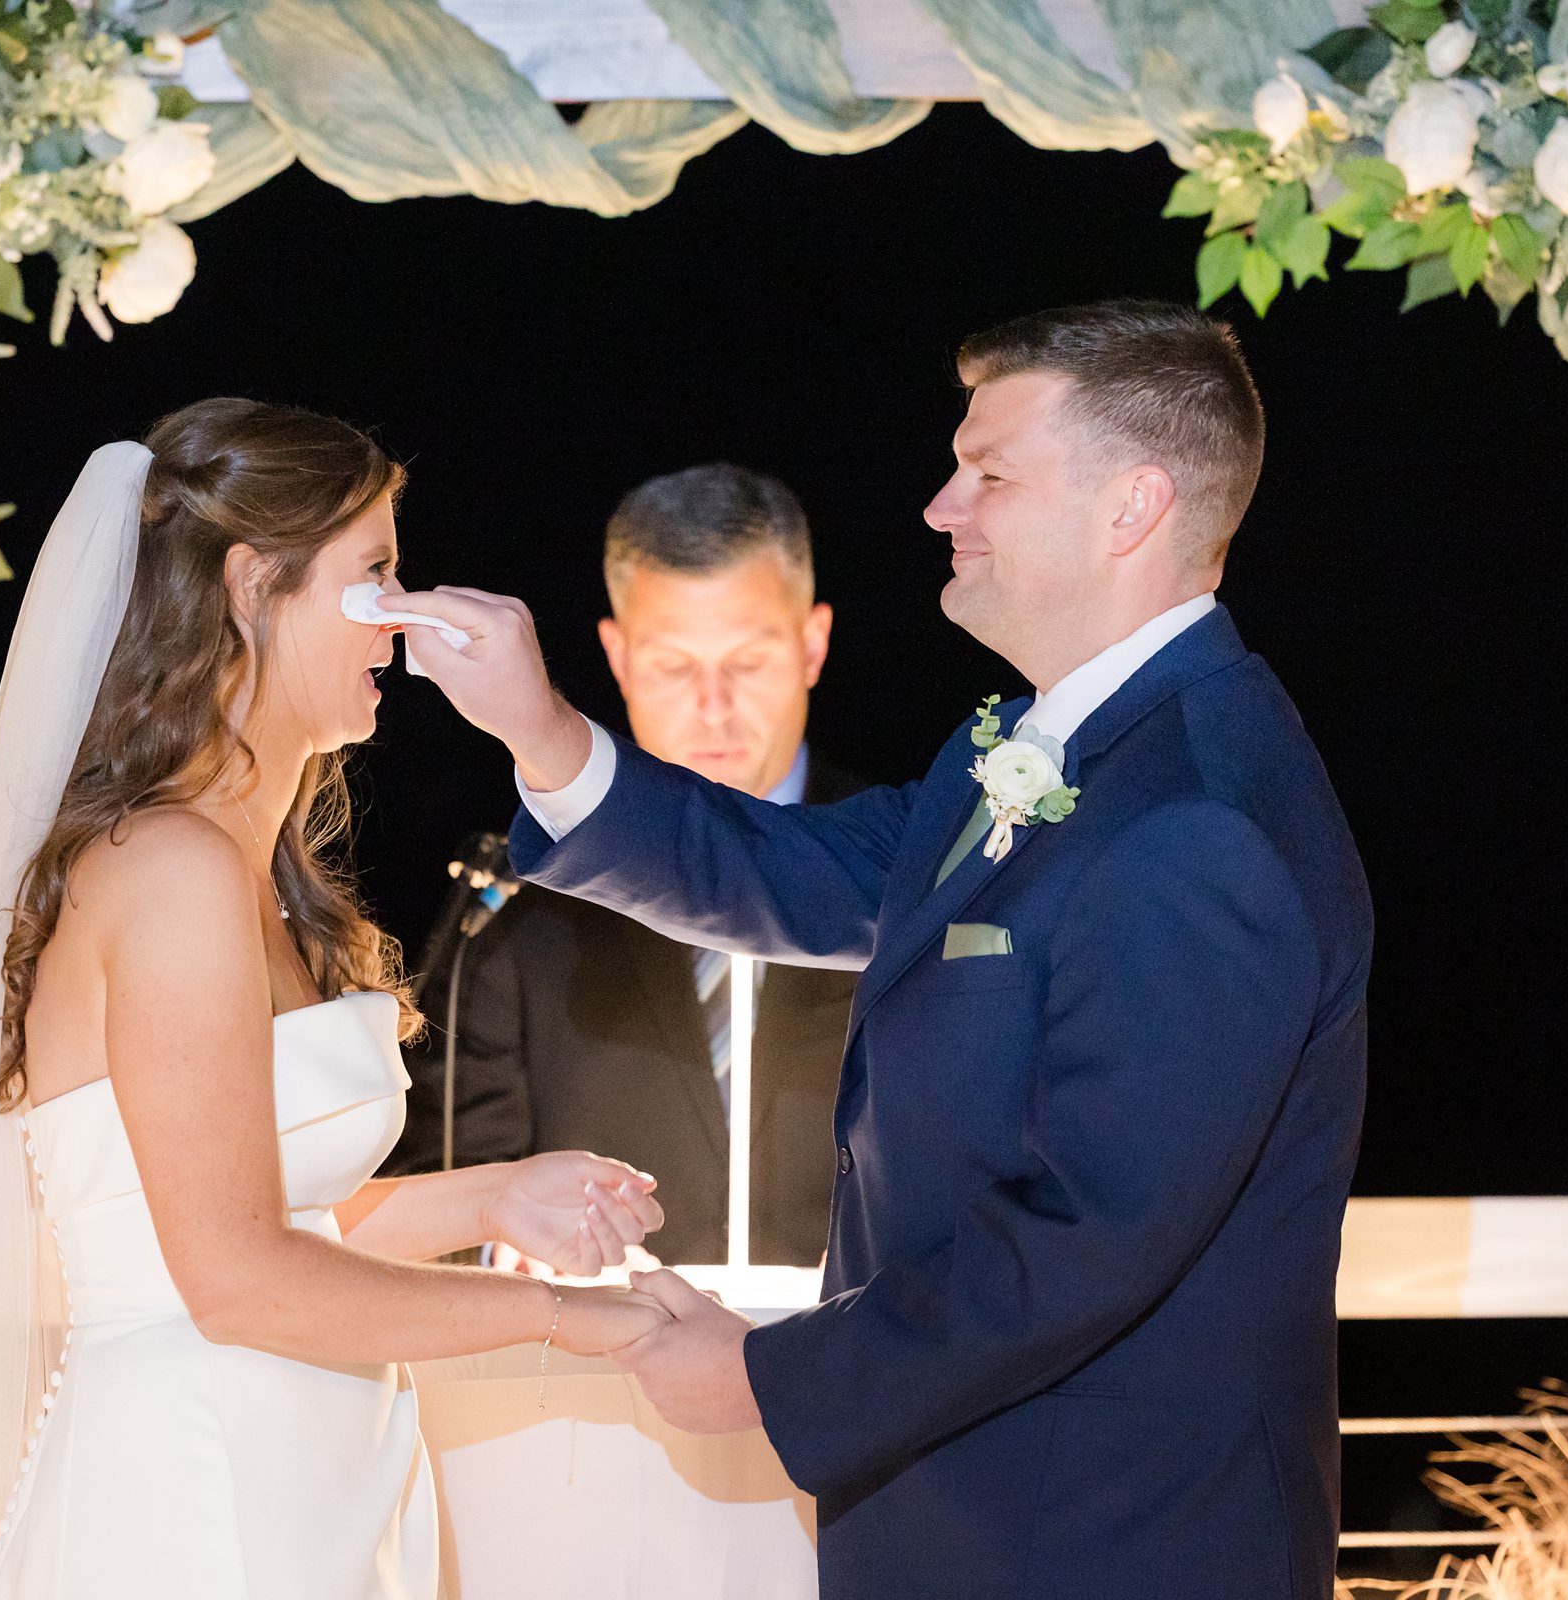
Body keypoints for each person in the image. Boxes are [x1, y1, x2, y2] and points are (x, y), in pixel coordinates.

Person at [391, 302, 1373, 1600]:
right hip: (979, 1521)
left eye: (991, 473)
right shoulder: (1023, 750)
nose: (939, 505)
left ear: (1132, 506)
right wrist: (546, 734)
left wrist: (761, 1376)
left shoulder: (1200, 820)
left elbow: (1086, 1235)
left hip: (1105, 1543)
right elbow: (786, 873)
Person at [0, 400, 670, 1600]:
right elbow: (232, 1276)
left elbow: (283, 1218)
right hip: (194, 1484)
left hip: (304, 1461)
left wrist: (499, 1194)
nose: (403, 612)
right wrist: (561, 1325)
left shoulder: (257, 872)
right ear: (251, 584)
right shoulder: (169, 870)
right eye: (373, 572)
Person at [389, 464, 863, 1268]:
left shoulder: (921, 862)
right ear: (617, 652)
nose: (713, 706)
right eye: (674, 666)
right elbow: (454, 1206)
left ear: (812, 643)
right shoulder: (516, 911)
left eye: (746, 662)